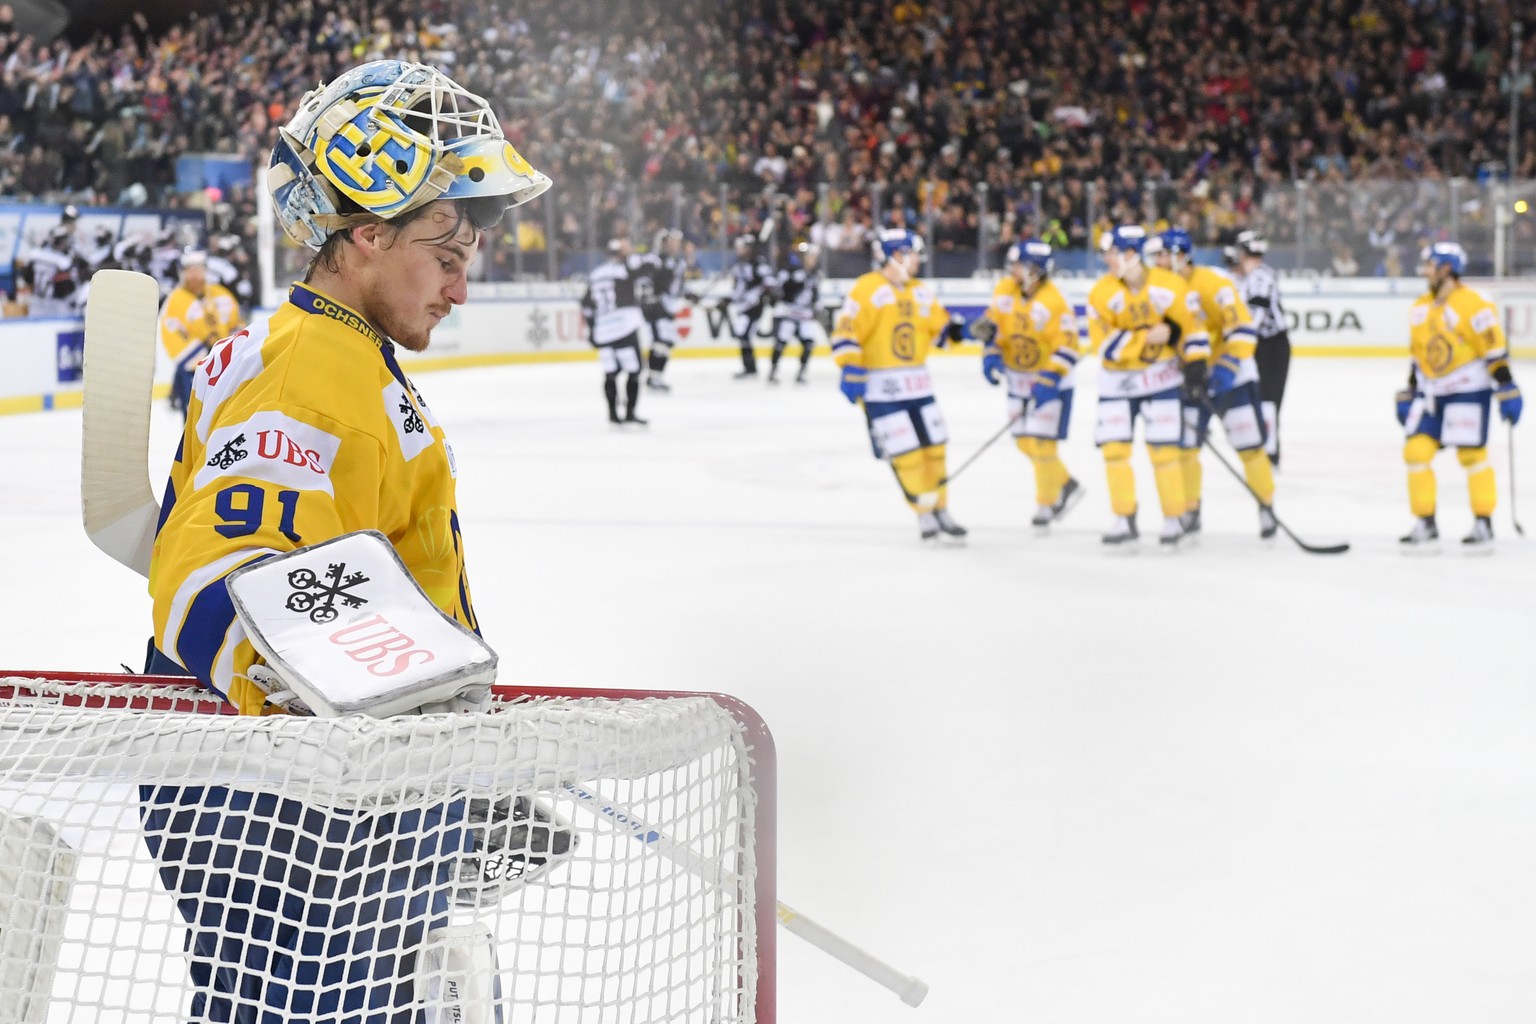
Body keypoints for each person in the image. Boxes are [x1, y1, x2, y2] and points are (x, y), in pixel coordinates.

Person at [140, 59, 552, 1022]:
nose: (461, 282)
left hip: (345, 789)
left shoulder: (341, 358)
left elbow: (360, 600)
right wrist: (383, 724)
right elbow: (222, 579)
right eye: (445, 250)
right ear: (366, 231)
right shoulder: (309, 377)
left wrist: (453, 752)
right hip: (299, 807)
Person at [831, 228, 968, 542]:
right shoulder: (867, 289)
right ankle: (924, 513)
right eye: (913, 254)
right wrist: (850, 367)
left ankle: (942, 509)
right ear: (896, 256)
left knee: (935, 450)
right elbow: (846, 332)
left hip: (919, 385)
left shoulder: (920, 291)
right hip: (881, 389)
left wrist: (957, 332)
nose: (918, 260)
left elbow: (938, 330)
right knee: (906, 454)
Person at [1084, 225, 1209, 548]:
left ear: (1129, 255)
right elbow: (1104, 345)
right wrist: (1149, 337)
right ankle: (1124, 517)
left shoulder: (1171, 285)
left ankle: (1173, 518)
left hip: (1161, 380)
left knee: (1165, 452)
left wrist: (1195, 368)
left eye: (1111, 253)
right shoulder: (1100, 293)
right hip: (1116, 384)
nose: (1106, 260)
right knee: (1114, 452)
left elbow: (1194, 329)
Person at [1150, 228, 1278, 540]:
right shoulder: (1158, 290)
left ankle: (1266, 506)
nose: (1158, 262)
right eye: (1155, 257)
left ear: (1182, 256)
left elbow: (1243, 328)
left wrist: (1226, 368)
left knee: (1248, 445)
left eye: (1163, 255)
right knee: (1185, 448)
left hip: (1231, 376)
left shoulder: (1215, 283)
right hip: (1191, 379)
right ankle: (1190, 510)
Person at [1396, 242, 1521, 552]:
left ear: (1446, 269)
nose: (1425, 272)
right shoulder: (1420, 308)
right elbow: (1419, 356)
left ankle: (1483, 521)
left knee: (1471, 455)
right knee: (1416, 451)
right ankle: (1425, 521)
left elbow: (1493, 351)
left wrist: (1506, 386)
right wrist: (1411, 389)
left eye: (1429, 266)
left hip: (1468, 389)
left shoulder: (1475, 304)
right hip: (1431, 395)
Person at [973, 238, 1084, 529]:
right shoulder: (1005, 290)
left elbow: (1070, 347)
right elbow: (992, 328)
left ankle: (1046, 504)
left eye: (1019, 265)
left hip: (1051, 382)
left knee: (1042, 444)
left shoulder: (1054, 302)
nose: (1012, 270)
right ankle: (1065, 483)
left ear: (1035, 270)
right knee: (1023, 441)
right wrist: (991, 354)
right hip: (1017, 379)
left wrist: (1049, 379)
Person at [157, 249, 242, 418]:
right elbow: (173, 335)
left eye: (198, 270)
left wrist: (233, 351)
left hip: (225, 368)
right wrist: (207, 357)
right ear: (183, 273)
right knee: (194, 418)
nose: (194, 275)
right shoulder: (176, 301)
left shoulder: (220, 294)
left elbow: (236, 323)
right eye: (190, 270)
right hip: (194, 371)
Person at [1229, 230, 1289, 467]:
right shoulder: (1250, 277)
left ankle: (1269, 454)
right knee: (1260, 400)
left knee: (1268, 401)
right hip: (1260, 345)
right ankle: (1265, 450)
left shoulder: (1261, 277)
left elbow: (1255, 316)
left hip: (1271, 346)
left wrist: (1237, 339)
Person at [580, 238, 648, 426]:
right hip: (624, 326)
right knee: (634, 371)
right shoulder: (625, 269)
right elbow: (647, 268)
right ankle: (630, 413)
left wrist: (593, 329)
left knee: (610, 373)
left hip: (604, 329)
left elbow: (586, 305)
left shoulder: (596, 273)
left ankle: (612, 414)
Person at [639, 228, 689, 393]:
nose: (676, 245)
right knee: (660, 342)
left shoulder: (677, 262)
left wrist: (688, 294)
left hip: (667, 306)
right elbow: (647, 284)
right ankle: (654, 378)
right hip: (656, 307)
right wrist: (651, 302)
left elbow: (676, 287)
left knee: (665, 342)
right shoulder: (655, 260)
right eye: (672, 241)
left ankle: (655, 377)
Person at [767, 241, 822, 385]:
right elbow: (781, 292)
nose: (812, 260)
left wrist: (816, 304)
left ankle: (802, 372)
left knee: (808, 343)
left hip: (805, 314)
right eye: (810, 256)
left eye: (814, 257)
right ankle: (773, 370)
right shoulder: (791, 271)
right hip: (789, 313)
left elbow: (814, 293)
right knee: (781, 343)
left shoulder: (814, 273)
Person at [723, 234, 771, 378]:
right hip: (744, 305)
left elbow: (769, 282)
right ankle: (749, 368)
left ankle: (750, 369)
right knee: (743, 336)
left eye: (741, 247)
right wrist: (729, 299)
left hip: (754, 306)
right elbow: (738, 288)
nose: (738, 250)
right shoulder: (739, 264)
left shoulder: (758, 263)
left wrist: (759, 296)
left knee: (744, 335)